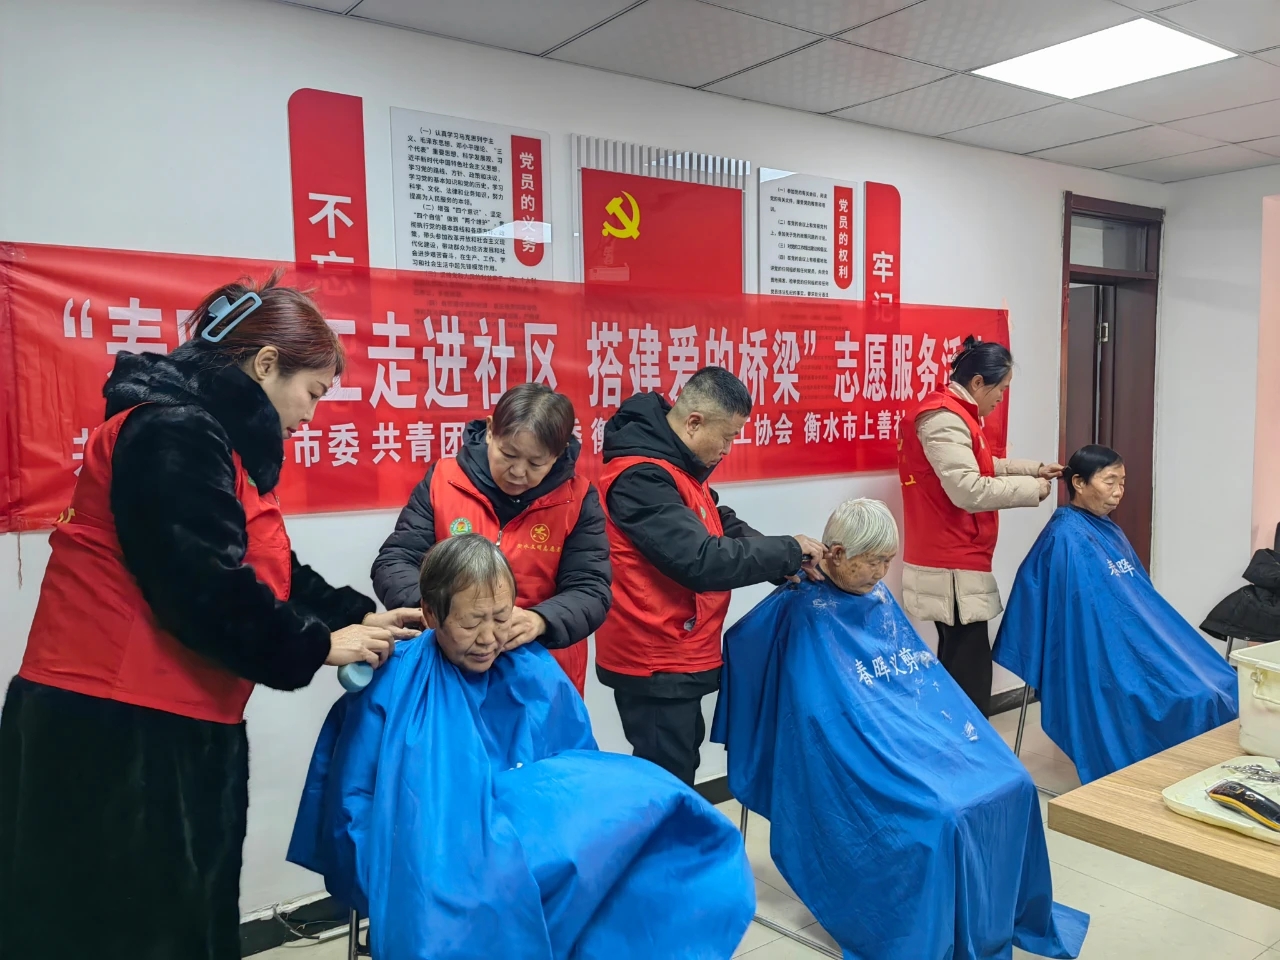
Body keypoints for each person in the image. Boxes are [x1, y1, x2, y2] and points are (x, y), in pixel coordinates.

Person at [0, 274, 423, 960]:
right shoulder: (172, 431)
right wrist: (318, 645)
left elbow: (271, 569)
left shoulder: (214, 441)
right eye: (313, 392)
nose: (312, 414)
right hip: (114, 734)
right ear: (265, 364)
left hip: (165, 725)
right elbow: (201, 587)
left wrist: (365, 619)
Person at [289, 535, 756, 959]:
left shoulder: (529, 664)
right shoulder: (392, 680)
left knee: (649, 822)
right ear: (430, 614)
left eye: (501, 617)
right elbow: (354, 810)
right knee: (459, 903)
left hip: (529, 846)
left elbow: (578, 776)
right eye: (471, 622)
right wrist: (399, 872)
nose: (489, 638)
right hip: (432, 847)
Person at [711, 499, 1088, 960]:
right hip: (858, 748)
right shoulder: (802, 609)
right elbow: (806, 705)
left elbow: (917, 680)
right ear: (835, 553)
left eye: (887, 561)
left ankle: (998, 915)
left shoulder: (877, 597)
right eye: (872, 561)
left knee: (1014, 781)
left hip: (910, 733)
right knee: (943, 814)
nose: (881, 573)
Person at [595, 366, 827, 785]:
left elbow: (719, 524)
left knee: (679, 768)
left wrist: (788, 562)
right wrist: (788, 550)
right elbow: (701, 560)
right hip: (655, 657)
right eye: (728, 436)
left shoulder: (675, 464)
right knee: (667, 781)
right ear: (694, 422)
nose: (728, 449)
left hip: (680, 650)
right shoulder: (641, 477)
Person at [994, 445, 1238, 784]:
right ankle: (1172, 775)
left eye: (1122, 483)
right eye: (1109, 482)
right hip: (1104, 654)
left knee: (1223, 680)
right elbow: (1076, 619)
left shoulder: (1108, 530)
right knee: (1195, 696)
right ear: (1079, 483)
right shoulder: (1064, 538)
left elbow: (1141, 602)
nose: (1119, 491)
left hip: (1135, 641)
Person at [372, 383, 609, 695]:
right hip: (448, 668)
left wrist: (541, 620)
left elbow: (591, 589)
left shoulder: (577, 499)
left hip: (539, 675)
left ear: (559, 453)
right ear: (489, 431)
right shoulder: (444, 481)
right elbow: (395, 561)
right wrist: (438, 612)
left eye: (536, 463)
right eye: (508, 454)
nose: (518, 471)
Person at [897, 336, 1061, 715]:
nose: (1001, 398)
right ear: (977, 383)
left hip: (958, 556)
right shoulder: (942, 418)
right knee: (968, 672)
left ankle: (963, 743)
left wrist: (1035, 469)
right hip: (950, 561)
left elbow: (984, 466)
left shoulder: (957, 414)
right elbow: (968, 489)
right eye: (1000, 389)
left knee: (961, 662)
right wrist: (1032, 491)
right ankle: (970, 745)